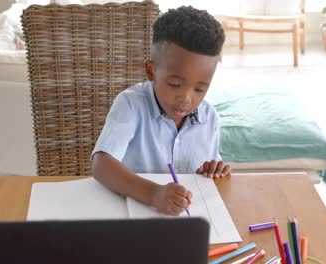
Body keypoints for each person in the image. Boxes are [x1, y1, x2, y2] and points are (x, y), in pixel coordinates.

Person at [91, 6, 230, 216]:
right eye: (174, 84)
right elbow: (101, 165)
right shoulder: (130, 105)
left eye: (200, 89)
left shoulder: (209, 118)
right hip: (134, 218)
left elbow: (208, 172)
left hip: (189, 223)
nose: (186, 99)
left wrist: (215, 170)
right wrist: (155, 194)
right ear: (151, 71)